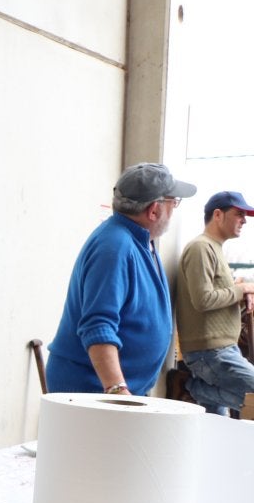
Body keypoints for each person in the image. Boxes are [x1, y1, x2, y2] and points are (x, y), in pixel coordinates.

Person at [46, 162, 196, 397]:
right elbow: (98, 325)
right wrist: (117, 389)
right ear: (154, 210)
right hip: (94, 391)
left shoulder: (140, 241)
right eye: (173, 202)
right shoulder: (115, 246)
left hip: (114, 390)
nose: (174, 209)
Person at [175, 191, 254, 415]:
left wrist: (240, 299)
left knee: (216, 427)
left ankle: (194, 388)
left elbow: (217, 300)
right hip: (211, 353)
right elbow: (203, 299)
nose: (244, 220)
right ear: (218, 215)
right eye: (239, 213)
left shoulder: (214, 248)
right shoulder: (201, 248)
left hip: (220, 351)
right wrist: (242, 289)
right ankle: (192, 388)